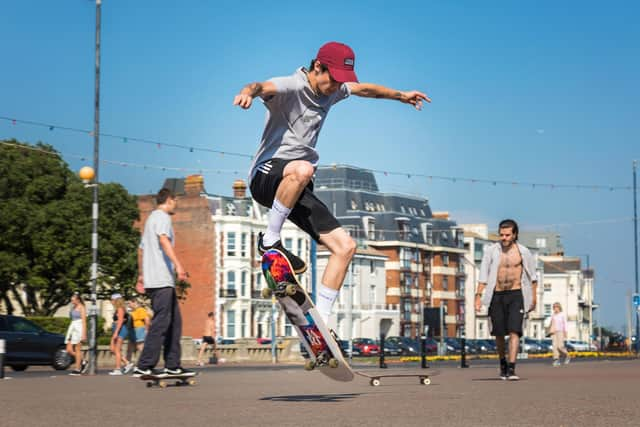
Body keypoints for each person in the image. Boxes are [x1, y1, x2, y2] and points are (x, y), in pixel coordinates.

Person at [234, 41, 430, 324]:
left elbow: (366, 90)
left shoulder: (334, 91)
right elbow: (259, 86)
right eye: (334, 79)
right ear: (317, 67)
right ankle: (270, 240)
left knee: (345, 246)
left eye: (341, 82)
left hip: (294, 185)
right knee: (303, 169)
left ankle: (321, 322)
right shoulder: (290, 86)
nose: (337, 87)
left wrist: (401, 96)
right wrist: (246, 93)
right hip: (266, 176)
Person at [133, 188, 194, 378]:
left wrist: (141, 275)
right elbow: (164, 240)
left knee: (175, 322)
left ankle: (172, 364)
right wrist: (178, 266)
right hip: (161, 278)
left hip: (155, 278)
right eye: (175, 201)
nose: (176, 204)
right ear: (168, 199)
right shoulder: (162, 217)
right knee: (162, 321)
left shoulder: (151, 219)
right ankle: (144, 365)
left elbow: (141, 249)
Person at [475, 219, 538, 380]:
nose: (504, 238)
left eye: (507, 235)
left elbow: (533, 277)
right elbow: (483, 274)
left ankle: (511, 368)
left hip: (517, 294)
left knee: (514, 330)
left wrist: (534, 297)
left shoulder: (523, 252)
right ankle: (502, 362)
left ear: (515, 234)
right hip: (496, 294)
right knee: (499, 333)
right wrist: (478, 296)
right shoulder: (491, 251)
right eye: (501, 235)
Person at [109, 294, 132, 375]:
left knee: (117, 349)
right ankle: (127, 363)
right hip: (117, 329)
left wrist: (116, 333)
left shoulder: (120, 309)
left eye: (112, 299)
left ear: (116, 300)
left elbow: (120, 321)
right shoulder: (118, 309)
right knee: (113, 349)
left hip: (121, 329)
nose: (111, 301)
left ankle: (118, 369)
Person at [65, 293, 88, 376]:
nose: (72, 301)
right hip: (72, 328)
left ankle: (77, 369)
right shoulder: (73, 307)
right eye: (71, 300)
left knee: (78, 349)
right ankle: (83, 361)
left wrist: (84, 334)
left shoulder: (82, 307)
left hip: (79, 328)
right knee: (69, 349)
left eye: (73, 300)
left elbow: (84, 321)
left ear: (78, 300)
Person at [126, 299, 150, 366]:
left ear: (135, 302)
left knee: (140, 347)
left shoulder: (141, 310)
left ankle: (145, 363)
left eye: (129, 303)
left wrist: (146, 330)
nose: (129, 305)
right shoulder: (134, 311)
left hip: (139, 329)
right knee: (129, 348)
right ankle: (127, 365)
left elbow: (147, 319)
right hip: (133, 330)